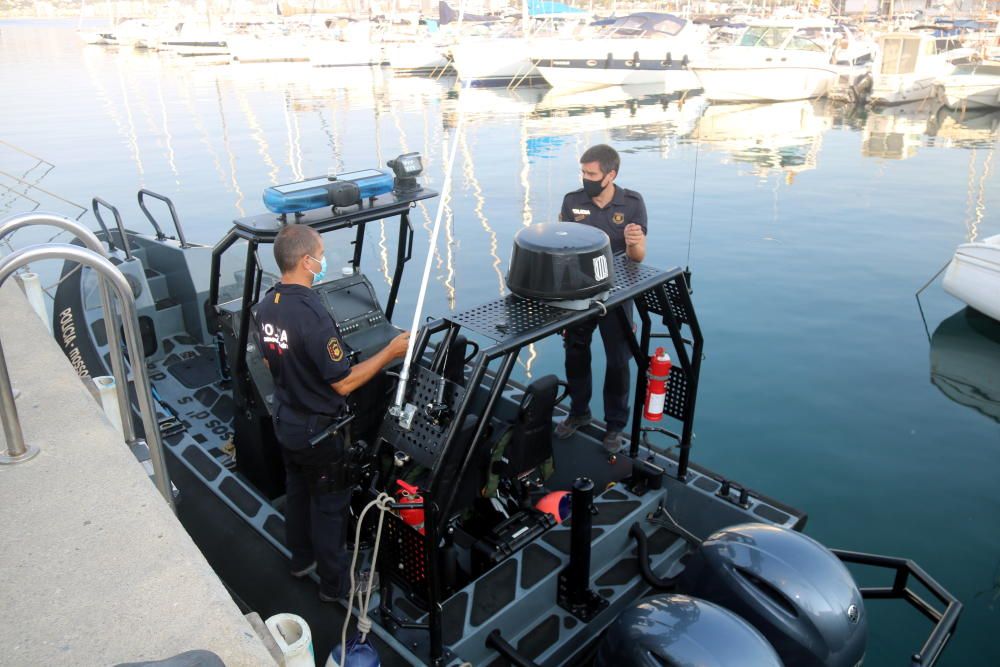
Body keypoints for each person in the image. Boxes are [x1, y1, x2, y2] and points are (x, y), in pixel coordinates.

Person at [255, 223, 409, 602]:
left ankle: (300, 560)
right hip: (319, 433)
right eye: (321, 256)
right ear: (307, 261)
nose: (323, 261)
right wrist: (390, 352)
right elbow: (341, 383)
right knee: (329, 508)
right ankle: (335, 586)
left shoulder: (265, 305)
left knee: (298, 493)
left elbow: (268, 357)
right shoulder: (313, 314)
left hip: (287, 422)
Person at [555, 144, 647, 452]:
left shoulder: (632, 203)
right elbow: (562, 247)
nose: (585, 178)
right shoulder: (572, 201)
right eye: (583, 172)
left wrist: (635, 243)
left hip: (618, 290)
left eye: (591, 173)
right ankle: (579, 412)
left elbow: (637, 257)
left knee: (618, 360)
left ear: (611, 175)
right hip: (579, 292)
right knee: (576, 350)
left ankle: (615, 425)